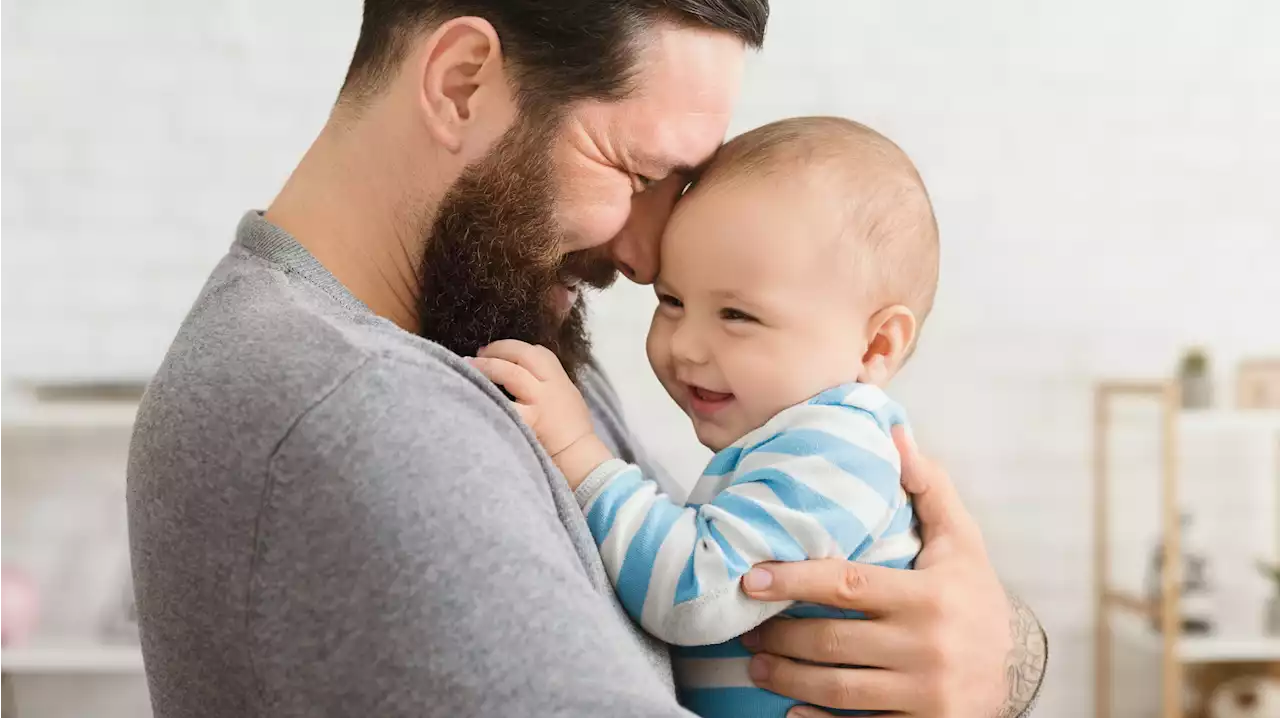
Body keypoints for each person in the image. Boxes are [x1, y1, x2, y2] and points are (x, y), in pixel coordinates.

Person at [126, 2, 1047, 717]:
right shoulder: (356, 407)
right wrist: (995, 664)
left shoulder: (490, 329)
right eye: (637, 174)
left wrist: (985, 651)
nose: (648, 259)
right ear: (460, 83)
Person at [472, 116, 936, 717]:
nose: (686, 345)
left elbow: (695, 591)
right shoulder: (794, 444)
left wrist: (579, 455)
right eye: (672, 301)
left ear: (875, 347)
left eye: (737, 315)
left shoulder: (838, 448)